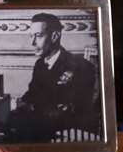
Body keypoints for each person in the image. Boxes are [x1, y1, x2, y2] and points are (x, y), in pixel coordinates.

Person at [6, 12, 98, 142]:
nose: (32, 42)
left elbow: (73, 109)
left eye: (38, 36)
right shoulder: (40, 64)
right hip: (40, 124)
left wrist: (32, 108)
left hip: (65, 131)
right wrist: (19, 103)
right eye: (31, 36)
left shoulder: (80, 66)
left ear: (55, 36)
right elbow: (32, 93)